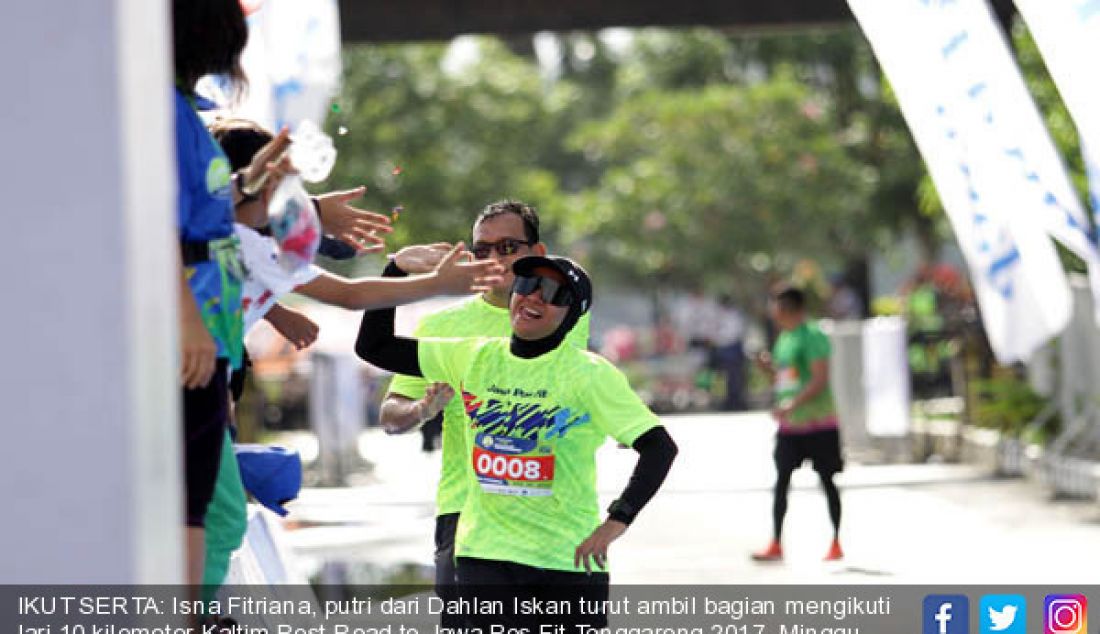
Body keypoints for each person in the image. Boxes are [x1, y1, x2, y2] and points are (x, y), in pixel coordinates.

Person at [198, 120, 503, 598]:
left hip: (208, 391)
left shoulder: (252, 246)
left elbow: (337, 284)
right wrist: (438, 284)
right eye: (282, 189)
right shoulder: (214, 235)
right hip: (188, 387)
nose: (289, 208)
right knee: (218, 519)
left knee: (220, 516)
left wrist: (277, 310)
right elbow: (349, 294)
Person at [356, 256, 677, 628]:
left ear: (574, 313)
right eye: (526, 285)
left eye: (553, 292)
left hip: (565, 563)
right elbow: (374, 346)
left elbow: (659, 447)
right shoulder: (473, 356)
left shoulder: (590, 375)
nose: (534, 298)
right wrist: (396, 271)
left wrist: (616, 521)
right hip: (484, 558)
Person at [376, 201, 591, 627]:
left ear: (538, 251)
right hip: (468, 516)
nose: (494, 260)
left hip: (554, 515)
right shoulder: (442, 328)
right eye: (482, 250)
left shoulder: (566, 316)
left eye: (508, 247)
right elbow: (390, 413)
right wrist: (421, 409)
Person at [173, 0, 293, 587]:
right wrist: (188, 322)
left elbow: (209, 209)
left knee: (208, 508)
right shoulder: (166, 115)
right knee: (204, 509)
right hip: (193, 330)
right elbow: (162, 225)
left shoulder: (185, 115)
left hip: (209, 337)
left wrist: (249, 179)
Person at [753, 285, 843, 562]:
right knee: (781, 482)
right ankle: (776, 542)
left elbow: (819, 379)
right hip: (791, 427)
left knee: (827, 481)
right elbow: (786, 379)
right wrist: (768, 370)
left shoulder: (813, 335)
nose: (773, 313)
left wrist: (792, 405)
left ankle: (835, 540)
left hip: (819, 423)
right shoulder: (785, 339)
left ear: (789, 308)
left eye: (776, 307)